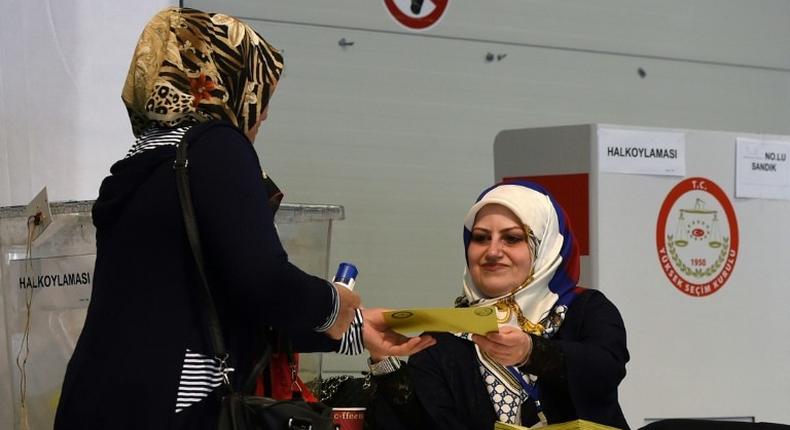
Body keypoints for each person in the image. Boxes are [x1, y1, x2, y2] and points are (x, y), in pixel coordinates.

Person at [53, 7, 432, 430]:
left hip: (97, 398)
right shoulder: (214, 146)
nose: (265, 114)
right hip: (172, 402)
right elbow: (259, 279)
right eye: (262, 94)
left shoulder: (141, 163)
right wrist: (332, 304)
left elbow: (216, 297)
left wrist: (356, 329)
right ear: (225, 80)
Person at [366, 180, 630, 429]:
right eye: (480, 238)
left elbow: (605, 371)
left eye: (512, 238)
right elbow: (424, 423)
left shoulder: (585, 310)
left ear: (545, 246)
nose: (492, 252)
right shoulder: (445, 337)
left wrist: (532, 352)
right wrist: (385, 361)